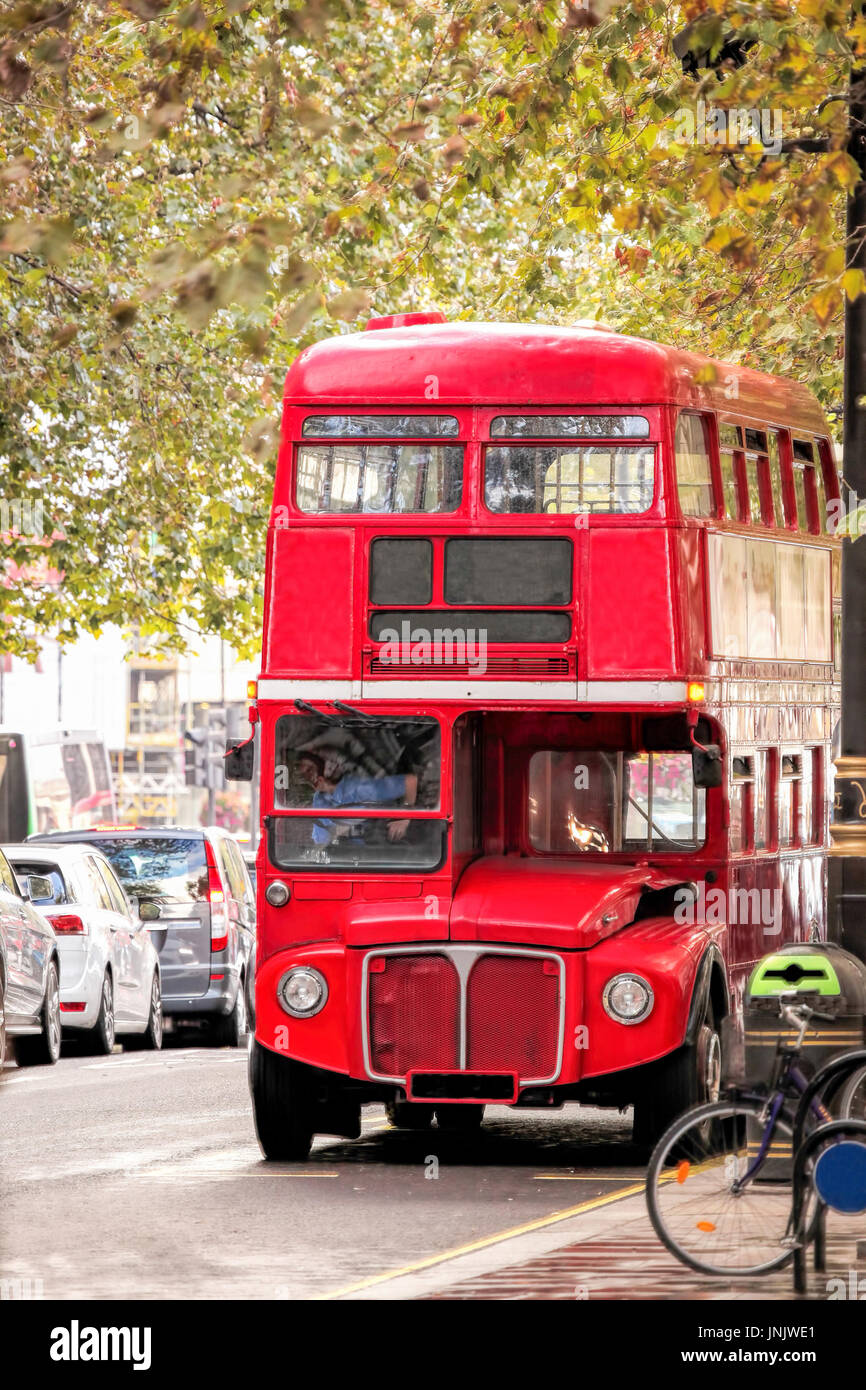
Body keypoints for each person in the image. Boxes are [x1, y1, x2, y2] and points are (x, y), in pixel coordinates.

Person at [295, 753, 418, 845]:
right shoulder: (319, 799)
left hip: (376, 854)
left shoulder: (360, 787)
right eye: (304, 775)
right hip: (343, 859)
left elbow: (410, 781)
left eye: (310, 770)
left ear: (325, 767)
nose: (309, 777)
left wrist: (404, 818)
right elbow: (321, 839)